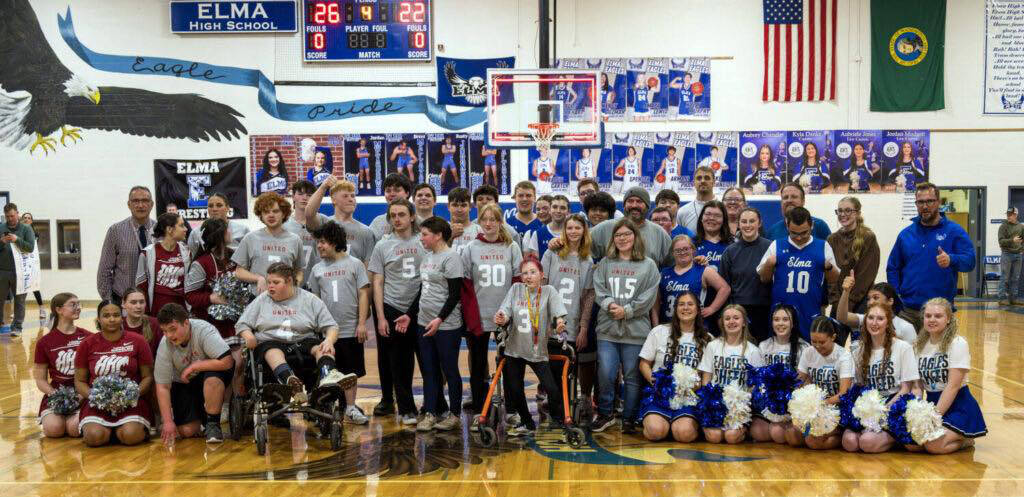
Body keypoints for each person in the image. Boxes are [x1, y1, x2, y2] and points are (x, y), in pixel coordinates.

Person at [236, 263, 356, 405]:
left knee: (323, 347)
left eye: (275, 282)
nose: (270, 286)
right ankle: (290, 381)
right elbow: (242, 324)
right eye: (268, 282)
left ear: (289, 281)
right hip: (271, 343)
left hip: (304, 342)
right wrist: (248, 336)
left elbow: (332, 326)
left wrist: (329, 340)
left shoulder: (309, 299)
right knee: (272, 350)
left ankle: (328, 374)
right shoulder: (262, 299)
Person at [591, 219, 660, 434]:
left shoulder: (648, 265)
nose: (622, 239)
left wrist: (627, 311)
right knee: (606, 373)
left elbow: (649, 296)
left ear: (635, 237)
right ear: (613, 239)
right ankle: (605, 413)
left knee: (632, 376)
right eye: (618, 235)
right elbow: (599, 289)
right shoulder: (605, 263)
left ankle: (629, 417)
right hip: (608, 329)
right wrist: (611, 305)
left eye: (627, 235)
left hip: (636, 330)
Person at [461, 204, 522, 428]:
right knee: (478, 366)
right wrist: (472, 316)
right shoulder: (470, 248)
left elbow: (517, 282)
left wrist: (510, 313)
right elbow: (466, 284)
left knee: (509, 363)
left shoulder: (512, 247)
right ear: (479, 222)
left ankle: (513, 409)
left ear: (499, 222)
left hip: (505, 316)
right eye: (484, 219)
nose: (488, 224)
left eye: (493, 219)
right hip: (479, 315)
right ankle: (481, 408)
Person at [886, 183, 976, 331]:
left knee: (938, 354)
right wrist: (896, 296)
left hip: (940, 313)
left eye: (929, 201)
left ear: (938, 202)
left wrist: (951, 259)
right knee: (904, 354)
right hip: (908, 312)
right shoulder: (905, 235)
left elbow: (970, 261)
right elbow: (893, 268)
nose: (925, 206)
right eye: (920, 202)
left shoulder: (954, 231)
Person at [494, 258, 568, 436]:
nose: (528, 276)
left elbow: (559, 314)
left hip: (537, 351)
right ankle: (527, 422)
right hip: (515, 349)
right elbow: (505, 311)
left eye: (533, 272)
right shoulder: (516, 289)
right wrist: (502, 317)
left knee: (552, 389)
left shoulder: (549, 291)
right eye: (525, 273)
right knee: (515, 389)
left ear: (541, 275)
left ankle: (558, 419)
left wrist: (559, 323)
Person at [307, 222, 371, 425]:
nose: (319, 246)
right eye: (318, 242)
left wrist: (361, 324)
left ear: (335, 242)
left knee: (350, 372)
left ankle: (351, 408)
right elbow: (314, 300)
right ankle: (324, 408)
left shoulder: (355, 264)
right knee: (326, 371)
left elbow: (363, 294)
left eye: (323, 242)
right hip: (326, 333)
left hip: (350, 328)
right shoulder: (317, 269)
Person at [369, 200, 425, 425]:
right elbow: (378, 283)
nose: (397, 219)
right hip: (393, 306)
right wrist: (381, 317)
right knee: (399, 362)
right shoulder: (382, 245)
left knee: (428, 360)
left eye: (402, 214)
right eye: (393, 215)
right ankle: (406, 408)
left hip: (422, 306)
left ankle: (433, 405)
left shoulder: (424, 240)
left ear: (412, 217)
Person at [409, 217, 465, 432]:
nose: (421, 238)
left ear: (438, 234)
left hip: (447, 326)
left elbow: (454, 295)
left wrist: (439, 319)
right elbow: (423, 290)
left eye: (424, 234)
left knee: (450, 370)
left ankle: (455, 414)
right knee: (429, 371)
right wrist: (409, 314)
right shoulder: (427, 258)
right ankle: (430, 413)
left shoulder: (451, 258)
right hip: (424, 322)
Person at [75, 299, 154, 447]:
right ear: (98, 318)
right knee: (94, 437)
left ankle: (123, 430)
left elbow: (147, 377)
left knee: (131, 436)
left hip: (131, 401)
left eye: (116, 315)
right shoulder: (87, 344)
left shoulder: (138, 341)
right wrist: (96, 397)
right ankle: (108, 431)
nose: (112, 319)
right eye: (106, 315)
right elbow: (79, 381)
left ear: (122, 316)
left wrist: (130, 395)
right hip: (98, 403)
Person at [841, 304, 919, 453]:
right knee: (849, 442)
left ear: (888, 323)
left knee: (867, 442)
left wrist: (883, 411)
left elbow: (906, 389)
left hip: (894, 404)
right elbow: (859, 387)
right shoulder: (859, 351)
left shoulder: (903, 347)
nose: (874, 323)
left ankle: (896, 437)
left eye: (880, 319)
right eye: (870, 318)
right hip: (869, 406)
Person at [541, 214, 597, 422]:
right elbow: (541, 286)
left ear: (584, 231)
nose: (573, 232)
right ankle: (555, 406)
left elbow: (588, 297)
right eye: (570, 228)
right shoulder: (552, 253)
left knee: (568, 370)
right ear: (564, 230)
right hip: (550, 321)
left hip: (571, 322)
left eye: (578, 228)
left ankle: (566, 408)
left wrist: (583, 328)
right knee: (550, 368)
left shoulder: (587, 259)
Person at [914, 297, 987, 453]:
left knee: (933, 446)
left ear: (948, 319)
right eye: (928, 316)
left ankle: (965, 439)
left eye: (938, 316)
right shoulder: (919, 345)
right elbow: (918, 385)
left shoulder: (958, 343)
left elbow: (953, 386)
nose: (932, 319)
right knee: (911, 444)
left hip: (958, 405)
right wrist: (918, 412)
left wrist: (933, 417)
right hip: (933, 403)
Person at [154, 304, 234, 444]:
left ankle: (213, 425)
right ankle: (197, 420)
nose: (169, 336)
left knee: (212, 377)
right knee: (188, 430)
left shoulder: (204, 330)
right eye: (164, 331)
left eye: (173, 329)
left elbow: (227, 361)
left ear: (186, 322)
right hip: (186, 383)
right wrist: (168, 421)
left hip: (210, 375)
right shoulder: (164, 345)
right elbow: (162, 386)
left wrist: (196, 366)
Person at [638, 291, 712, 442]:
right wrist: (656, 381)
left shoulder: (708, 339)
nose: (685, 308)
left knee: (684, 434)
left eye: (690, 304)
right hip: (660, 394)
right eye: (681, 304)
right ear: (675, 308)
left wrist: (697, 386)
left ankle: (678, 425)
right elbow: (644, 364)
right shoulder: (659, 331)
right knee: (655, 432)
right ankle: (664, 424)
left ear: (697, 309)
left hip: (689, 397)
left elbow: (707, 374)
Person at [758, 207, 840, 341]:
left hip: (810, 310)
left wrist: (829, 267)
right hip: (782, 313)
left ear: (812, 225)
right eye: (794, 233)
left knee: (810, 353)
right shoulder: (776, 245)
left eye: (804, 232)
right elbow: (764, 278)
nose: (799, 237)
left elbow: (834, 279)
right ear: (787, 226)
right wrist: (768, 264)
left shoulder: (823, 245)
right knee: (781, 350)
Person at [698, 304, 764, 444]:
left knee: (731, 437)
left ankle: (745, 431)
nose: (731, 321)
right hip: (716, 404)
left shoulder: (753, 351)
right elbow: (706, 380)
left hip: (738, 407)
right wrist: (712, 401)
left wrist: (741, 403)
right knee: (714, 437)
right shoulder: (713, 346)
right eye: (727, 318)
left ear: (744, 322)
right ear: (722, 322)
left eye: (736, 318)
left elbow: (755, 385)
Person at [33, 292, 91, 438]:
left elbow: (95, 373)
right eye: (73, 305)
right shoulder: (44, 342)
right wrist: (56, 395)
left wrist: (81, 395)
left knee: (74, 429)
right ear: (59, 310)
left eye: (79, 304)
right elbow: (40, 379)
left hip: (83, 392)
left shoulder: (88, 337)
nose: (78, 308)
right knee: (54, 429)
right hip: (57, 393)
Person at [749, 304, 807, 445]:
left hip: (791, 403)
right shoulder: (764, 346)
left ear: (793, 323)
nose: (780, 323)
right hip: (768, 404)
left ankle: (785, 429)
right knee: (757, 432)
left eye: (785, 319)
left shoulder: (803, 347)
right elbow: (757, 378)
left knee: (777, 434)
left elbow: (803, 381)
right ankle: (779, 429)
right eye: (776, 319)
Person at [796, 316, 854, 450]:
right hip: (815, 410)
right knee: (792, 435)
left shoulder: (844, 356)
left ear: (833, 337)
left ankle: (841, 436)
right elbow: (797, 382)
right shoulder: (808, 352)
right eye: (813, 341)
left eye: (822, 342)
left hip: (837, 409)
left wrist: (820, 404)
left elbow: (843, 394)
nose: (817, 346)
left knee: (813, 441)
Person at [233, 192, 305, 294]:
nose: (271, 215)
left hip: (286, 299)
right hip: (257, 299)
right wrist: (258, 278)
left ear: (284, 214)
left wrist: (293, 284)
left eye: (275, 211)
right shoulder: (250, 238)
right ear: (261, 215)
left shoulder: (295, 240)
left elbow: (299, 271)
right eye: (266, 212)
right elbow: (239, 271)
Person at [719, 208, 773, 342]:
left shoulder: (771, 247)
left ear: (759, 223)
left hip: (764, 310)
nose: (747, 225)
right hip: (738, 312)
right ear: (738, 224)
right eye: (744, 221)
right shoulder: (730, 252)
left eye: (752, 221)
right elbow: (724, 285)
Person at [654, 235, 729, 325]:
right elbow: (656, 302)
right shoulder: (664, 273)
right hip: (668, 325)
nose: (682, 252)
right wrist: (655, 324)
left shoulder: (703, 270)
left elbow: (725, 288)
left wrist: (712, 308)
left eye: (686, 249)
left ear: (693, 250)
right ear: (673, 253)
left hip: (696, 326)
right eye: (678, 250)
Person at [97, 187, 155, 304]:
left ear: (152, 204)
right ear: (129, 205)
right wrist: (108, 302)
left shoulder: (160, 230)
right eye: (135, 201)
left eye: (145, 201)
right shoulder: (116, 231)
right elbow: (104, 270)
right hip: (122, 300)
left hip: (152, 301)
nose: (140, 205)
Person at [587, 187, 671, 264]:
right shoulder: (604, 228)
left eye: (639, 201)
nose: (634, 205)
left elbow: (672, 265)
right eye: (630, 201)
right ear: (624, 205)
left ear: (647, 206)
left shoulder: (659, 233)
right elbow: (581, 251)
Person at [305, 177, 378, 265]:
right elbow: (309, 214)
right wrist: (323, 187)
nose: (351, 199)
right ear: (333, 200)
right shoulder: (324, 223)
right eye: (345, 196)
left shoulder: (366, 232)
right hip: (325, 278)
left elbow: (368, 267)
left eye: (353, 196)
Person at [136, 212, 191, 316]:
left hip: (181, 309)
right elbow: (141, 286)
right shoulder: (147, 253)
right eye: (181, 225)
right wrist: (145, 313)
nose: (186, 229)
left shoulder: (187, 252)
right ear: (169, 229)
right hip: (156, 309)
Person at [837, 277, 918, 348]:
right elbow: (842, 318)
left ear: (890, 301)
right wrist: (846, 291)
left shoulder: (906, 327)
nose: (870, 302)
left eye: (876, 298)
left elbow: (913, 357)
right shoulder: (866, 319)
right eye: (868, 299)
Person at [0, 203, 34, 337]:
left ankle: (17, 327)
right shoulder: (1, 228)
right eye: (7, 216)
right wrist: (2, 242)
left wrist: (17, 239)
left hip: (21, 271)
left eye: (12, 216)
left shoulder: (26, 229)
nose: (10, 219)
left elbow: (30, 247)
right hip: (2, 271)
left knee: (19, 300)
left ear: (17, 214)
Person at [283, 180, 321, 283]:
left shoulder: (323, 223)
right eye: (300, 194)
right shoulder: (283, 225)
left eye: (309, 195)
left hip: (317, 280)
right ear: (293, 197)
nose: (304, 198)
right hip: (290, 281)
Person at [764, 183, 832, 241]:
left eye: (794, 197)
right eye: (785, 197)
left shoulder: (820, 226)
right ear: (781, 202)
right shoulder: (773, 232)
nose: (789, 200)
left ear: (803, 201)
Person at [121, 288, 163, 357]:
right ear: (123, 304)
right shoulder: (118, 325)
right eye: (133, 302)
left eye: (142, 302)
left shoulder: (155, 324)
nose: (138, 306)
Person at [19, 212, 45, 322]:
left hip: (31, 264)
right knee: (20, 288)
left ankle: (42, 309)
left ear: (32, 221)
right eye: (24, 218)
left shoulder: (35, 234)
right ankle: (18, 311)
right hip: (21, 264)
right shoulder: (18, 233)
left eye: (29, 218)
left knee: (35, 287)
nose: (26, 219)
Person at [370, 174, 413, 238]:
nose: (392, 194)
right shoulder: (377, 223)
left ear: (407, 193)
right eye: (388, 191)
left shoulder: (419, 222)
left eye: (397, 190)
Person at [506, 181, 545, 251]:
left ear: (535, 198)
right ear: (515, 198)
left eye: (528, 195)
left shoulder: (543, 223)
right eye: (520, 196)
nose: (524, 199)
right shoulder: (507, 224)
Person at [677, 166, 717, 234]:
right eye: (699, 178)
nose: (703, 181)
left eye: (707, 178)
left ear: (713, 182)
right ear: (693, 183)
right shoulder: (682, 212)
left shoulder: (723, 208)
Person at [694, 201, 733, 270]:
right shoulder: (691, 244)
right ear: (701, 218)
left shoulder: (733, 244)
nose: (712, 218)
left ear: (724, 220)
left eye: (717, 215)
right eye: (708, 214)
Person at [998, 207, 1024, 306]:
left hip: (1018, 255)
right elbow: (1001, 241)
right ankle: (1002, 298)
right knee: (1005, 277)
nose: (1008, 216)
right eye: (1008, 214)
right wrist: (1012, 240)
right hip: (1007, 254)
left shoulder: (1021, 227)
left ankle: (1013, 298)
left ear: (1016, 215)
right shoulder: (1003, 226)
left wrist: (1022, 249)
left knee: (1015, 277)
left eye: (1011, 214)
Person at [531, 194, 569, 260]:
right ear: (550, 210)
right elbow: (535, 263)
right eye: (554, 207)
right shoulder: (537, 234)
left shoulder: (574, 233)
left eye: (562, 208)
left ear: (568, 211)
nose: (558, 211)